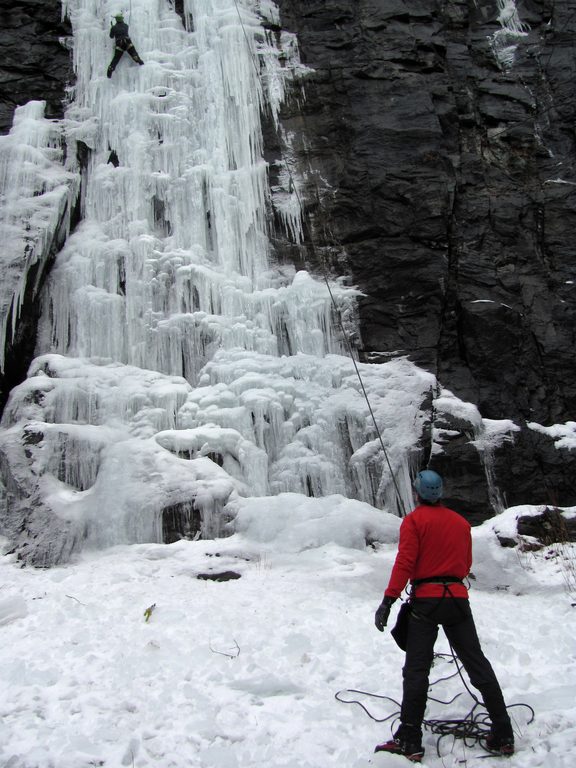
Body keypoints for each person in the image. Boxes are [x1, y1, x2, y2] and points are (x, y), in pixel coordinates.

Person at [374, 470, 514, 763]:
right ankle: (503, 733)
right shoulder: (461, 523)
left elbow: (405, 561)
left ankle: (410, 739)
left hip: (426, 602)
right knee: (477, 663)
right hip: (457, 601)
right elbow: (464, 564)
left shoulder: (414, 521)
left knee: (416, 670)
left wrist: (388, 599)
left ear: (417, 493)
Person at [107, 14, 144, 78]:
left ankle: (111, 68)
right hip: (127, 42)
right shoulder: (126, 26)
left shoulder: (114, 28)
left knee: (116, 58)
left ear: (116, 20)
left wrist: (112, 28)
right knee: (133, 52)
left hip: (119, 44)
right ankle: (138, 59)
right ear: (122, 19)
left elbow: (111, 36)